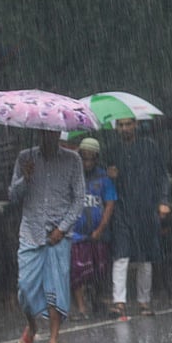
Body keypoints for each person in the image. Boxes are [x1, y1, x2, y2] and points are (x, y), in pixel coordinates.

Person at [9, 129, 86, 343]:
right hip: (31, 233)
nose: (48, 138)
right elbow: (13, 195)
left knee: (56, 289)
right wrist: (26, 177)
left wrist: (62, 229)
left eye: (52, 133)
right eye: (43, 133)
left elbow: (79, 198)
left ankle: (53, 339)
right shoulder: (25, 158)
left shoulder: (73, 160)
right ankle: (32, 327)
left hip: (58, 235)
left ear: (58, 134)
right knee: (25, 286)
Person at [104, 117, 170, 318]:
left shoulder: (149, 147)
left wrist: (163, 200)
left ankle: (143, 301)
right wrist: (109, 176)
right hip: (122, 209)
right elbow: (103, 181)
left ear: (135, 125)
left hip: (146, 207)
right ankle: (120, 302)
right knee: (121, 255)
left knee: (145, 257)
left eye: (128, 124)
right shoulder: (112, 151)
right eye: (121, 125)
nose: (124, 128)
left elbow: (162, 176)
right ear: (116, 128)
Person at [69, 137, 116, 320]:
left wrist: (101, 229)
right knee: (77, 272)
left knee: (99, 270)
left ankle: (98, 301)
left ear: (96, 158)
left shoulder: (104, 178)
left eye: (91, 158)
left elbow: (110, 204)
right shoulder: (72, 177)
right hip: (76, 234)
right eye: (84, 158)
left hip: (98, 234)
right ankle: (81, 308)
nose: (87, 162)